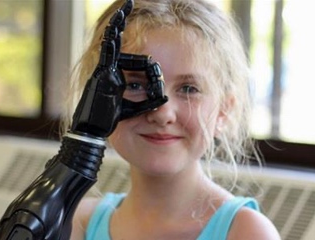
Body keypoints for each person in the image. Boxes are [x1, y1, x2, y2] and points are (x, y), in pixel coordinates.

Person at [66, 0, 281, 239]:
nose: (162, 113)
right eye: (136, 85)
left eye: (189, 89)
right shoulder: (76, 223)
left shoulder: (247, 232)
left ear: (224, 111)